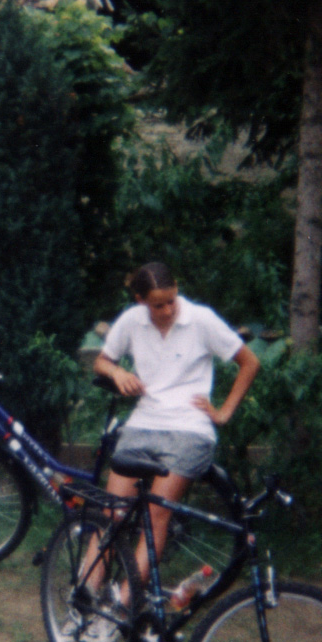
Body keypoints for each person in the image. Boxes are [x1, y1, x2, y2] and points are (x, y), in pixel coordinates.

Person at [84, 262, 259, 623]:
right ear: (140, 300)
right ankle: (85, 597)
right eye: (157, 305)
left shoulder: (201, 319)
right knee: (111, 513)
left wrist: (224, 412)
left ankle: (123, 607)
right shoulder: (132, 320)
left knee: (156, 516)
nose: (166, 310)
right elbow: (101, 361)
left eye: (171, 301)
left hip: (189, 428)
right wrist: (117, 371)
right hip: (144, 423)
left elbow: (249, 362)